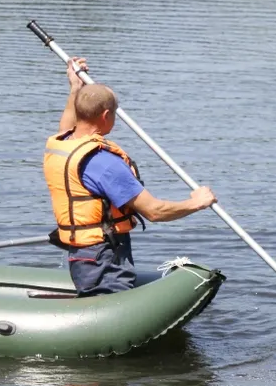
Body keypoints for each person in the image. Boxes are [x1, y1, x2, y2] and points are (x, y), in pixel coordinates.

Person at [43, 59, 217, 297]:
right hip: (104, 255)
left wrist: (75, 87)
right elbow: (154, 211)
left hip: (81, 253)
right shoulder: (104, 163)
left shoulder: (62, 143)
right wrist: (197, 202)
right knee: (107, 302)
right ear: (105, 115)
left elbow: (68, 120)